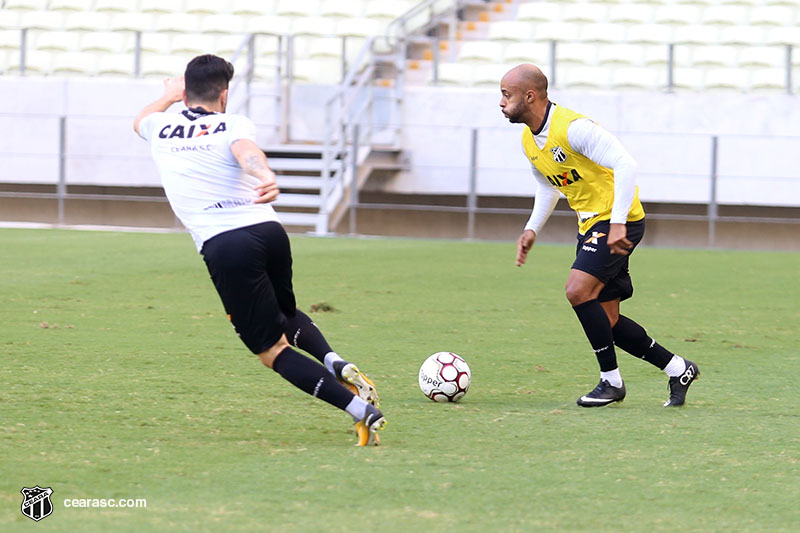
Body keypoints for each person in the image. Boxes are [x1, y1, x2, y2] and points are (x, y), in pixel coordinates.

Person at [134, 54, 385, 444]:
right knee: (284, 313)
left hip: (227, 244)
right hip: (268, 229)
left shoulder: (159, 125)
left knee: (271, 351)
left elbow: (140, 119)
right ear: (224, 92)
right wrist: (264, 174)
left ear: (185, 92)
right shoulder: (232, 122)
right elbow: (246, 151)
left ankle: (360, 411)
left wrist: (167, 96)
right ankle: (337, 361)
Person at [500, 64, 699, 408]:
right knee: (607, 320)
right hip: (592, 225)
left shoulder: (574, 128)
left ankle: (611, 382)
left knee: (577, 290)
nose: (501, 102)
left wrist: (619, 222)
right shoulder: (528, 140)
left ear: (529, 96)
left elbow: (626, 164)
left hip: (615, 221)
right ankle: (678, 368)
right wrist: (532, 229)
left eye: (506, 95)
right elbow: (548, 187)